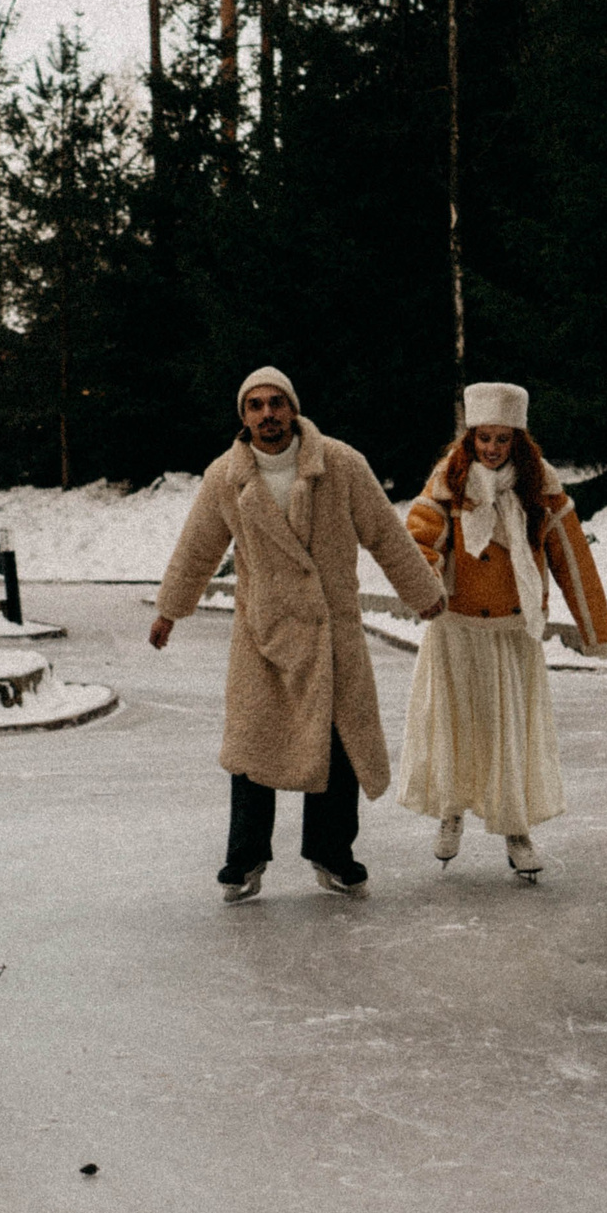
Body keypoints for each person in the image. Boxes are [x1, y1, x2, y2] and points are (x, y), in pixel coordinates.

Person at [152, 368, 446, 902]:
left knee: (339, 745)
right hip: (262, 636)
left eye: (277, 403)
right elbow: (197, 548)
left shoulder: (341, 464)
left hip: (332, 631)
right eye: (256, 405)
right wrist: (169, 611)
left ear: (292, 408)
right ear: (244, 417)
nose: (268, 414)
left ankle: (331, 854)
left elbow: (385, 533)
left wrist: (422, 591)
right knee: (252, 748)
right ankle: (245, 860)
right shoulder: (225, 477)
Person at [399, 381, 607, 880]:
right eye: (484, 438)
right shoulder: (448, 481)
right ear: (471, 437)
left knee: (510, 734)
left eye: (503, 439)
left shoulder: (541, 487)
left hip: (514, 632)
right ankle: (452, 812)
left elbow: (572, 560)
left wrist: (596, 632)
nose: (492, 448)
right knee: (456, 725)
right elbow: (419, 538)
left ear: (518, 439)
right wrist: (427, 581)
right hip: (457, 629)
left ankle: (516, 831)